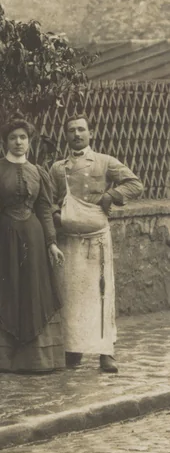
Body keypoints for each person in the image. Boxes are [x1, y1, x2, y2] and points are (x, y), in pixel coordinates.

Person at [49, 114, 143, 373]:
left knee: (101, 293)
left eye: (81, 129)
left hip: (98, 237)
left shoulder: (104, 161)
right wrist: (57, 213)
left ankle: (105, 352)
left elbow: (136, 184)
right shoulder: (58, 168)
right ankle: (73, 348)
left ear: (90, 133)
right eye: (71, 131)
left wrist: (111, 195)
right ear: (66, 135)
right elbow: (50, 199)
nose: (77, 135)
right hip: (68, 238)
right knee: (71, 294)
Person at [0, 121, 65, 373]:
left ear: (29, 141)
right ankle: (0, 359)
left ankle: (35, 359)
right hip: (5, 235)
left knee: (32, 290)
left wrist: (51, 243)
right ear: (5, 141)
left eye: (23, 138)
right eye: (13, 137)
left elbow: (45, 210)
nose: (19, 142)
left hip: (34, 236)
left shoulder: (38, 172)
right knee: (6, 289)